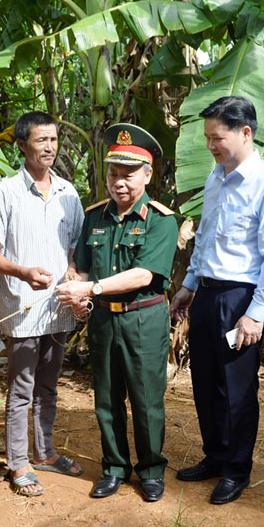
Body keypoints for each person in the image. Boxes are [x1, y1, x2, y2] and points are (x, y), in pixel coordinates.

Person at [169, 96, 264, 505]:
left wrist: (257, 314)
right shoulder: (216, 178)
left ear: (245, 133)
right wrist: (189, 284)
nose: (210, 146)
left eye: (217, 137)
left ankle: (237, 470)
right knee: (205, 382)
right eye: (206, 138)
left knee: (238, 390)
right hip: (208, 293)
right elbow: (204, 237)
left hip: (241, 299)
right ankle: (215, 456)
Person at [56, 124, 178, 502]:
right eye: (113, 174)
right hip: (104, 319)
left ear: (147, 174)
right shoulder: (95, 217)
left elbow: (144, 273)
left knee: (145, 398)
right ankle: (113, 467)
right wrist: (74, 284)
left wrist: (89, 288)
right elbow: (82, 264)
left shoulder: (160, 220)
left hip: (143, 317)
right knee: (106, 398)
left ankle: (152, 469)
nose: (119, 182)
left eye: (129, 174)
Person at [0, 111, 84, 497]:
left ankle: (46, 452)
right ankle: (18, 462)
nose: (49, 147)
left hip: (58, 308)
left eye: (53, 140)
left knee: (49, 386)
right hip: (21, 308)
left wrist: (72, 270)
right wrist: (22, 273)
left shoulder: (69, 194)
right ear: (22, 145)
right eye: (41, 140)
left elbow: (74, 246)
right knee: (21, 387)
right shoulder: (4, 193)